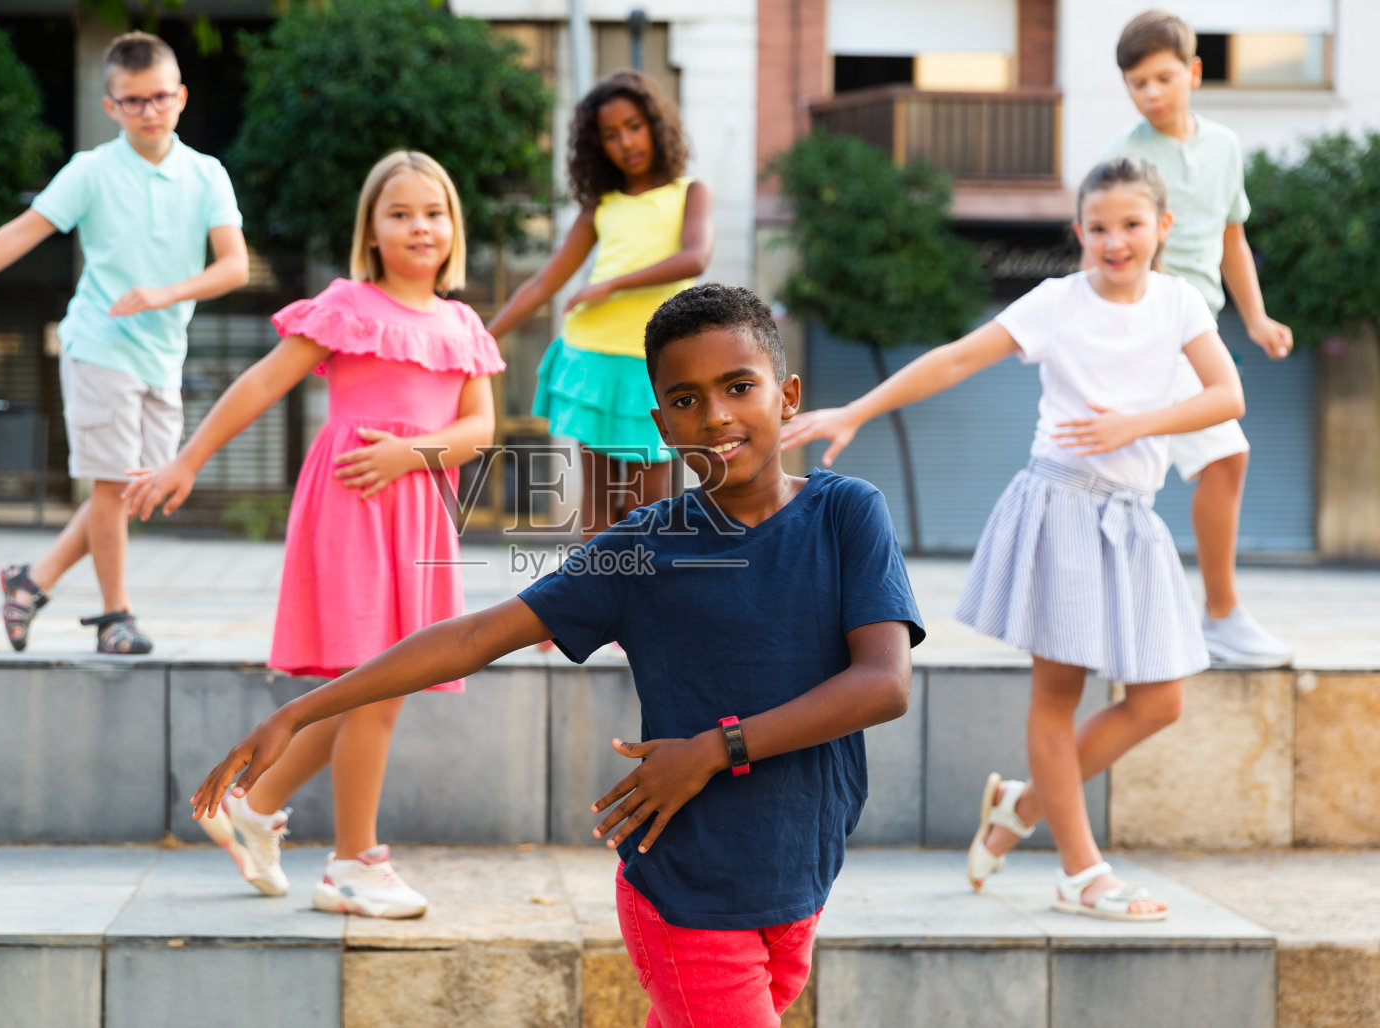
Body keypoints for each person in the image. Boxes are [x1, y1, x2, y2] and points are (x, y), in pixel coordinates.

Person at [191, 283, 922, 1025]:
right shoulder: (641, 549)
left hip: (800, 877)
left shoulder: (845, 514)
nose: (717, 416)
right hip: (688, 890)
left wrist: (714, 749)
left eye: (739, 387)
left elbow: (883, 684)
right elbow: (475, 636)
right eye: (686, 399)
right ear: (660, 423)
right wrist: (303, 709)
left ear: (788, 394)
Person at [783, 158, 1245, 921]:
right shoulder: (1058, 301)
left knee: (1161, 700)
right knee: (1057, 698)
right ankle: (1080, 873)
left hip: (1133, 517)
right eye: (1098, 227)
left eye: (1131, 225)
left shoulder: (1180, 302)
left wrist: (1136, 424)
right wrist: (856, 410)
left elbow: (1225, 393)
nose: (1115, 241)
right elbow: (959, 357)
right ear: (1079, 233)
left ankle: (1023, 805)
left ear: (1162, 228)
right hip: (1062, 505)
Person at [125, 151, 503, 918]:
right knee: (375, 688)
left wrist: (411, 453)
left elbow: (480, 429)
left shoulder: (463, 324)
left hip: (419, 515)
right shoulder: (347, 306)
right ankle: (353, 866)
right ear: (371, 229)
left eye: (432, 212)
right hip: (353, 511)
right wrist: (188, 459)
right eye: (399, 213)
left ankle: (257, 808)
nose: (418, 226)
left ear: (453, 227)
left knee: (369, 690)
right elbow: (262, 381)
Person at [0, 31, 249, 655]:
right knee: (112, 486)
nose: (148, 111)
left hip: (163, 351)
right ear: (110, 106)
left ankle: (33, 580)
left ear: (181, 96)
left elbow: (235, 267)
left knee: (139, 491)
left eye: (160, 97)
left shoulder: (206, 174)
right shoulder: (92, 172)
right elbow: (21, 232)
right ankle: (116, 619)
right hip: (98, 343)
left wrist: (165, 293)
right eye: (132, 101)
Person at [1101, 9, 1294, 667]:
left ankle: (1208, 615)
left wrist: (1259, 318)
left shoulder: (1223, 147)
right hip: (1153, 322)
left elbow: (1230, 238)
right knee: (1217, 458)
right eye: (1136, 84)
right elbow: (1110, 254)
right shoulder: (1126, 161)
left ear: (1194, 73)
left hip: (1200, 324)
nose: (1150, 94)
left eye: (1162, 79)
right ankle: (1219, 614)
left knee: (1165, 471)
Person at [486, 69, 714, 539]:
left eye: (634, 125)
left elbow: (695, 256)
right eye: (610, 135)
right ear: (597, 147)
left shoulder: (689, 193)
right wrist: (481, 341)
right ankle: (594, 607)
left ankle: (652, 609)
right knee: (599, 508)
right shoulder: (600, 206)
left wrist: (610, 286)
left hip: (651, 366)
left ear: (656, 124)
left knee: (653, 509)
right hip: (593, 357)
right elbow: (543, 282)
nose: (626, 142)